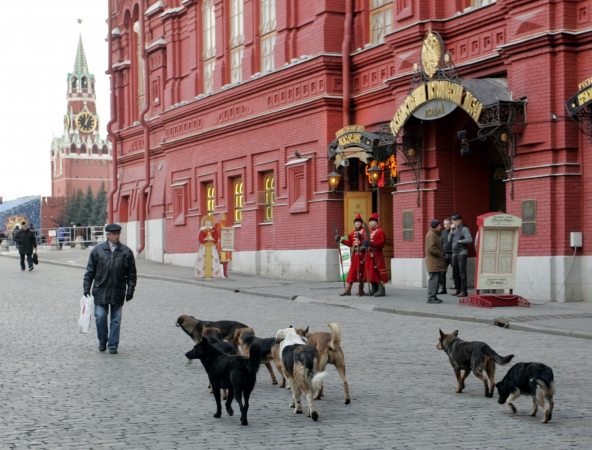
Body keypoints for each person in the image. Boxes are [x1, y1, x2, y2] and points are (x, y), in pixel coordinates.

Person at [83, 223, 137, 354]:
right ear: (107, 235)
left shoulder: (126, 252)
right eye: (113, 234)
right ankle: (102, 341)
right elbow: (90, 271)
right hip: (101, 289)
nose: (116, 236)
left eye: (118, 234)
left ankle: (113, 344)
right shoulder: (97, 250)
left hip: (118, 290)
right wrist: (86, 287)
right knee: (100, 316)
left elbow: (131, 273)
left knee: (116, 319)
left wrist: (131, 289)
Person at [337, 213, 367, 296]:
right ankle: (348, 289)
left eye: (359, 222)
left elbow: (367, 242)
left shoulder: (365, 231)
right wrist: (341, 240)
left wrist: (362, 244)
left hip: (362, 254)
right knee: (352, 272)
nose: (357, 223)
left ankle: (361, 289)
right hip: (355, 254)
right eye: (356, 222)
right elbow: (350, 243)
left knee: (361, 272)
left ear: (361, 223)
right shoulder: (353, 232)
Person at [448, 213, 473, 298]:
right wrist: (451, 230)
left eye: (455, 220)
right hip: (454, 252)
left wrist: (460, 241)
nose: (454, 222)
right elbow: (449, 240)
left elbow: (469, 239)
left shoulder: (464, 229)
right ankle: (458, 290)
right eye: (453, 221)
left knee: (462, 272)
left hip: (462, 252)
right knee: (455, 272)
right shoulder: (454, 229)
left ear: (459, 220)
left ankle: (464, 291)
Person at [364, 212, 388, 297]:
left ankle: (381, 290)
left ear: (377, 222)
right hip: (370, 254)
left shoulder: (380, 231)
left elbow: (381, 243)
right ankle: (374, 289)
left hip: (377, 254)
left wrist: (370, 243)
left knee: (378, 271)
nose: (371, 223)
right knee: (371, 271)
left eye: (373, 221)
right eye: (370, 221)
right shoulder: (369, 232)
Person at [425, 219, 446, 304]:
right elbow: (431, 248)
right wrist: (441, 254)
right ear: (436, 226)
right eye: (439, 225)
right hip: (434, 261)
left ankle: (433, 296)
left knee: (436, 279)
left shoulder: (434, 234)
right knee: (434, 279)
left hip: (435, 261)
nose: (441, 226)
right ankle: (431, 297)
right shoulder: (431, 235)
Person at [438, 218, 453, 294]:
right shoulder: (442, 232)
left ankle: (458, 288)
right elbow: (441, 243)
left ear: (451, 224)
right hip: (445, 254)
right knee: (442, 272)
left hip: (453, 254)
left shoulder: (454, 231)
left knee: (456, 272)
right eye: (444, 224)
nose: (446, 225)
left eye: (448, 224)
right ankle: (443, 288)